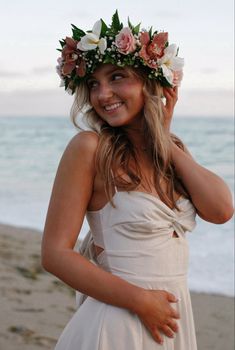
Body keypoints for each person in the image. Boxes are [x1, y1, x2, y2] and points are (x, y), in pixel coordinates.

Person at [41, 11, 234, 350]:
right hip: (117, 323)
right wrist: (139, 301)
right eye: (94, 84)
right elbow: (55, 254)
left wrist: (161, 135)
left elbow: (221, 209)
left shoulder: (170, 153)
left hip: (172, 324)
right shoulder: (89, 148)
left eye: (117, 77)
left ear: (150, 82)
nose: (103, 95)